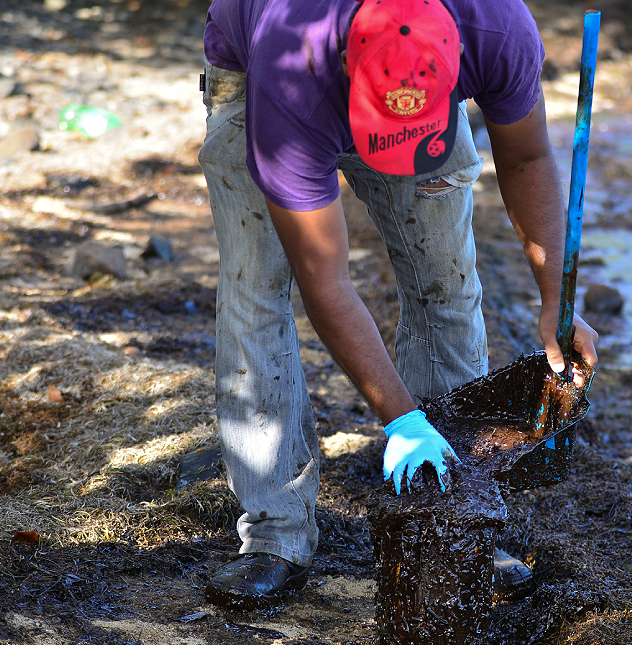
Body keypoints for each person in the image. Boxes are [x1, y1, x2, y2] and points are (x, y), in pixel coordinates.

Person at [198, 0, 599, 607]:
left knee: (446, 285)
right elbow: (324, 280)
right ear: (344, 61)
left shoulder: (496, 28)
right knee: (255, 290)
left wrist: (555, 298)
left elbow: (526, 156)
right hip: (260, 84)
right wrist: (402, 419)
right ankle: (275, 534)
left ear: (455, 59)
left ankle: (456, 515)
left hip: (391, 87)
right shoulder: (292, 73)